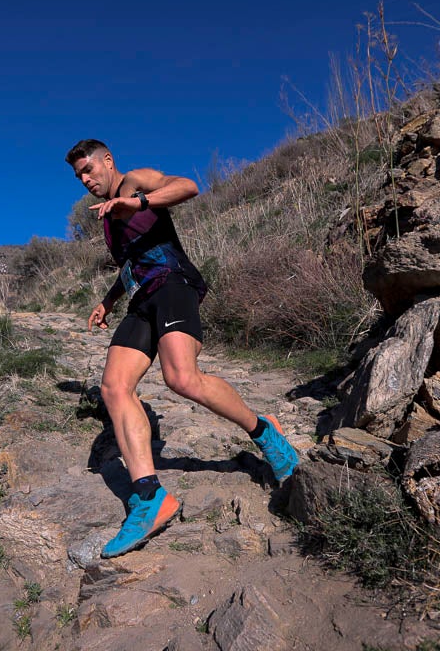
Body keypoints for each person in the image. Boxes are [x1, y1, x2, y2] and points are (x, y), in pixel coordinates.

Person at [65, 139, 299, 558]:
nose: (85, 180)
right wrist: (109, 300)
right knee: (114, 387)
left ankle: (265, 432)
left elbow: (189, 187)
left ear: (108, 161)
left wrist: (138, 203)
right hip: (141, 299)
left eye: (89, 169)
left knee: (181, 378)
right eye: (79, 176)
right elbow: (133, 263)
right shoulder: (107, 219)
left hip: (174, 286)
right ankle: (150, 496)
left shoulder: (135, 182)